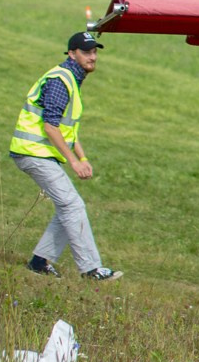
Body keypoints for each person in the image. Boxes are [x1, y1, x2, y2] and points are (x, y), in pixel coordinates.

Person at [9, 31, 122, 281]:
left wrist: (82, 157)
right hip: (32, 153)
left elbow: (66, 129)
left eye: (94, 52)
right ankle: (91, 269)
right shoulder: (62, 80)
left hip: (39, 153)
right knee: (72, 205)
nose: (93, 57)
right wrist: (73, 162)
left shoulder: (72, 78)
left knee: (67, 206)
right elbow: (51, 126)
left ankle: (39, 262)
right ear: (72, 54)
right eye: (87, 52)